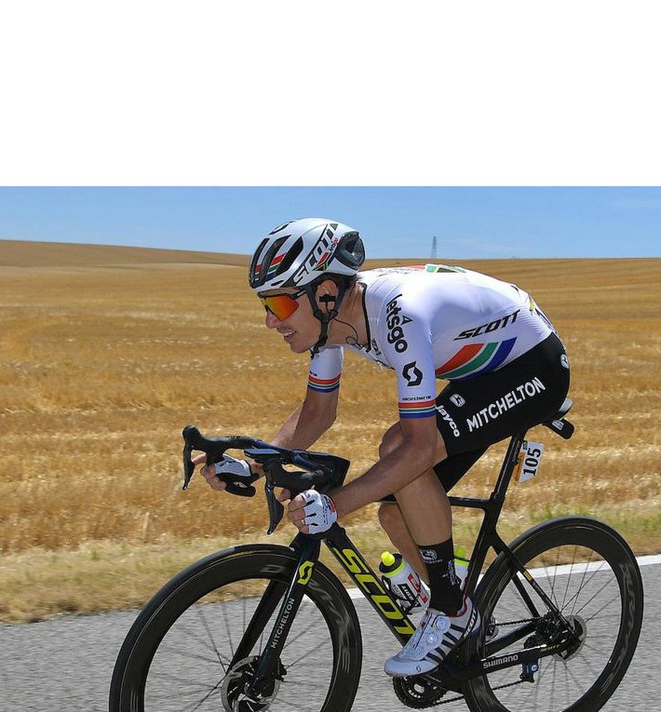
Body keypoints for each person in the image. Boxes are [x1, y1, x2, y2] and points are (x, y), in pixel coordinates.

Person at [196, 217, 570, 678]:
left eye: (279, 303)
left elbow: (417, 448)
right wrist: (250, 465)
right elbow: (317, 413)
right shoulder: (330, 322)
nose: (270, 320)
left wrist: (335, 504)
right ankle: (458, 605)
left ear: (325, 293)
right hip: (480, 372)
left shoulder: (399, 315)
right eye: (265, 304)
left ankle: (451, 612)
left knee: (399, 446)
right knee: (394, 513)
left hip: (533, 367)